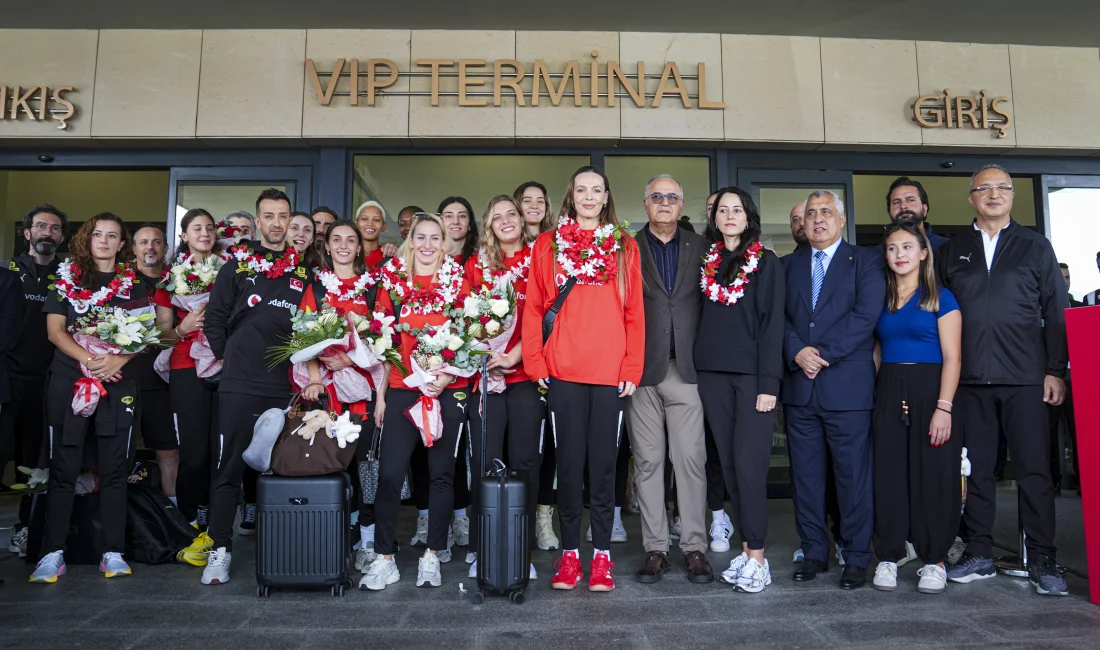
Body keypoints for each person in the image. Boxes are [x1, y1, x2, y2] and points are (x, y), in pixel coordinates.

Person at [937, 164, 1069, 596]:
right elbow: (937, 313)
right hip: (971, 381)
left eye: (1003, 188)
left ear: (1011, 196)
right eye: (985, 188)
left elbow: (1057, 311)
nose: (994, 194)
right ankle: (979, 553)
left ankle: (1043, 559)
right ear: (971, 197)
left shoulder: (1035, 246)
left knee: (1034, 471)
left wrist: (1055, 369)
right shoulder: (954, 249)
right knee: (976, 473)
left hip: (1027, 379)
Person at [31, 213, 174, 583]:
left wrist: (117, 360)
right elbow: (54, 331)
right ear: (87, 239)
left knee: (114, 470)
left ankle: (112, 552)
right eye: (98, 234)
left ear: (122, 244)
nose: (105, 241)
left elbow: (147, 335)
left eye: (113, 236)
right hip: (70, 382)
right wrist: (92, 362)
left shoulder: (133, 285)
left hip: (118, 383)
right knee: (63, 470)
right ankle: (52, 552)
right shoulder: (66, 280)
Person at [522, 165, 644, 592]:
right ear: (570, 197)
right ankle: (570, 555)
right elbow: (534, 308)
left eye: (597, 190)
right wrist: (537, 364)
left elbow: (634, 313)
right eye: (581, 190)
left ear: (607, 197)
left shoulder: (624, 245)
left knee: (604, 469)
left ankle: (603, 558)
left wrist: (631, 367)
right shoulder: (547, 244)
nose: (589, 197)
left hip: (610, 374)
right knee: (570, 469)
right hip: (564, 373)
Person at [200, 188, 310, 585]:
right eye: (270, 216)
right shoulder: (236, 267)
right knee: (227, 469)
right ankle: (220, 550)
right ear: (257, 222)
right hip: (239, 384)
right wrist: (231, 358)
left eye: (284, 216)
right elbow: (213, 320)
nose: (277, 223)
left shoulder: (304, 272)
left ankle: (285, 547)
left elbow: (312, 331)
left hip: (285, 387)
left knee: (285, 470)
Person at [362, 214, 471, 590]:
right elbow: (381, 344)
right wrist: (380, 396)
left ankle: (432, 555)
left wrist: (446, 375)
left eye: (434, 238)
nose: (426, 244)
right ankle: (385, 557)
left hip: (445, 388)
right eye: (419, 237)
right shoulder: (391, 284)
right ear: (410, 240)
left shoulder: (458, 282)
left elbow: (469, 337)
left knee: (441, 474)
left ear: (444, 243)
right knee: (391, 474)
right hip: (402, 388)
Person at [782, 190, 885, 590]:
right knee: (805, 478)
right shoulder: (787, 265)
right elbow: (779, 319)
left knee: (852, 477)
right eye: (811, 214)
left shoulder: (866, 261)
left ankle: (857, 556)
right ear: (803, 224)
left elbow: (865, 316)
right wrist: (796, 351)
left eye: (827, 212)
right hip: (800, 390)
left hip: (847, 389)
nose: (818, 219)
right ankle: (813, 551)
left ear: (842, 220)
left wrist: (819, 354)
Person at [694, 187, 784, 594]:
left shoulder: (766, 263)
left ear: (749, 217)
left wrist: (769, 384)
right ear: (715, 217)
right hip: (712, 375)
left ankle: (759, 558)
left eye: (738, 210)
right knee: (729, 467)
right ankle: (746, 551)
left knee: (749, 467)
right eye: (723, 210)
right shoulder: (708, 261)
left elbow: (772, 326)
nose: (730, 215)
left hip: (751, 379)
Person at [628, 174, 714, 586]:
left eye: (672, 197)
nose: (664, 202)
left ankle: (695, 546)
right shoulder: (626, 248)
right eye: (656, 196)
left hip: (687, 370)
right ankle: (655, 549)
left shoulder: (702, 248)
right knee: (647, 463)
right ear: (645, 204)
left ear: (682, 206)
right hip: (641, 372)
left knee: (691, 462)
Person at [870, 221, 962, 595]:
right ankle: (890, 556)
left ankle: (935, 560)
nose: (899, 255)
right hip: (890, 389)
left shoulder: (942, 297)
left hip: (932, 391)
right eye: (892, 248)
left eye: (907, 247)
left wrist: (944, 407)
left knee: (933, 477)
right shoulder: (882, 297)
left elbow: (954, 357)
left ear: (924, 253)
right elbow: (876, 349)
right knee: (888, 475)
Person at [296, 219, 386, 585]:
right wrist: (315, 377)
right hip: (328, 396)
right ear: (327, 246)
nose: (345, 245)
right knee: (332, 467)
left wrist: (353, 362)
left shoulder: (373, 290)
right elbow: (304, 339)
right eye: (338, 240)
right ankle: (335, 538)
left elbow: (386, 343)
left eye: (351, 240)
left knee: (367, 469)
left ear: (359, 247)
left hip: (366, 395)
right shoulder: (315, 289)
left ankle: (367, 541)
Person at [463, 195, 542, 581]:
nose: (507, 221)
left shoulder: (540, 256)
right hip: (488, 379)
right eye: (498, 217)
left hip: (526, 376)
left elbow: (546, 317)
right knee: (485, 461)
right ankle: (483, 547)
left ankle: (521, 549)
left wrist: (515, 357)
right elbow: (464, 316)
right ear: (489, 225)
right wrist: (487, 354)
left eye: (512, 213)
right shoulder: (478, 265)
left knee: (525, 462)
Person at [151, 209, 221, 543]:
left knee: (219, 446)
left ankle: (219, 516)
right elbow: (161, 336)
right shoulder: (169, 278)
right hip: (184, 366)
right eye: (197, 228)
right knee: (193, 449)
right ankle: (193, 515)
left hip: (224, 365)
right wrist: (183, 327)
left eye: (209, 228)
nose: (204, 233)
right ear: (184, 236)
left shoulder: (230, 272)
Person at [1, 205, 66, 559]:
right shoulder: (6, 271)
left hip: (48, 380)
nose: (47, 232)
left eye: (55, 229)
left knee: (35, 460)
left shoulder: (68, 277)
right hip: (8, 380)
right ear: (26, 232)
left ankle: (24, 528)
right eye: (40, 226)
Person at [132, 224, 179, 502]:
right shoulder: (120, 281)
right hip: (124, 376)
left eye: (157, 242)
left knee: (168, 449)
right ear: (134, 248)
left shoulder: (180, 279)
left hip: (163, 380)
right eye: (144, 242)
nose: (150, 247)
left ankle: (172, 513)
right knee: (118, 451)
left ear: (166, 248)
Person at [1052, 263, 1080, 493]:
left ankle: (1083, 480)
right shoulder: (1043, 309)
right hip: (1050, 377)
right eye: (1061, 277)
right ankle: (1053, 480)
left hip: (1078, 379)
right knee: (1049, 432)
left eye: (1068, 277)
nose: (1065, 281)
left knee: (1078, 431)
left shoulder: (1081, 308)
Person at [886, 177, 949, 252]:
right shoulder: (875, 255)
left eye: (910, 200)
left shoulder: (947, 248)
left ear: (924, 209)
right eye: (896, 202)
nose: (903, 206)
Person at [354, 201, 397, 268]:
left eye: (376, 220)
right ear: (356, 224)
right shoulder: (347, 254)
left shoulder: (389, 254)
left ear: (383, 226)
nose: (370, 223)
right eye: (364, 219)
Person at [439, 197, 479, 264]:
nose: (455, 222)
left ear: (470, 224)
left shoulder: (482, 259)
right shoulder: (430, 256)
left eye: (462, 216)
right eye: (449, 216)